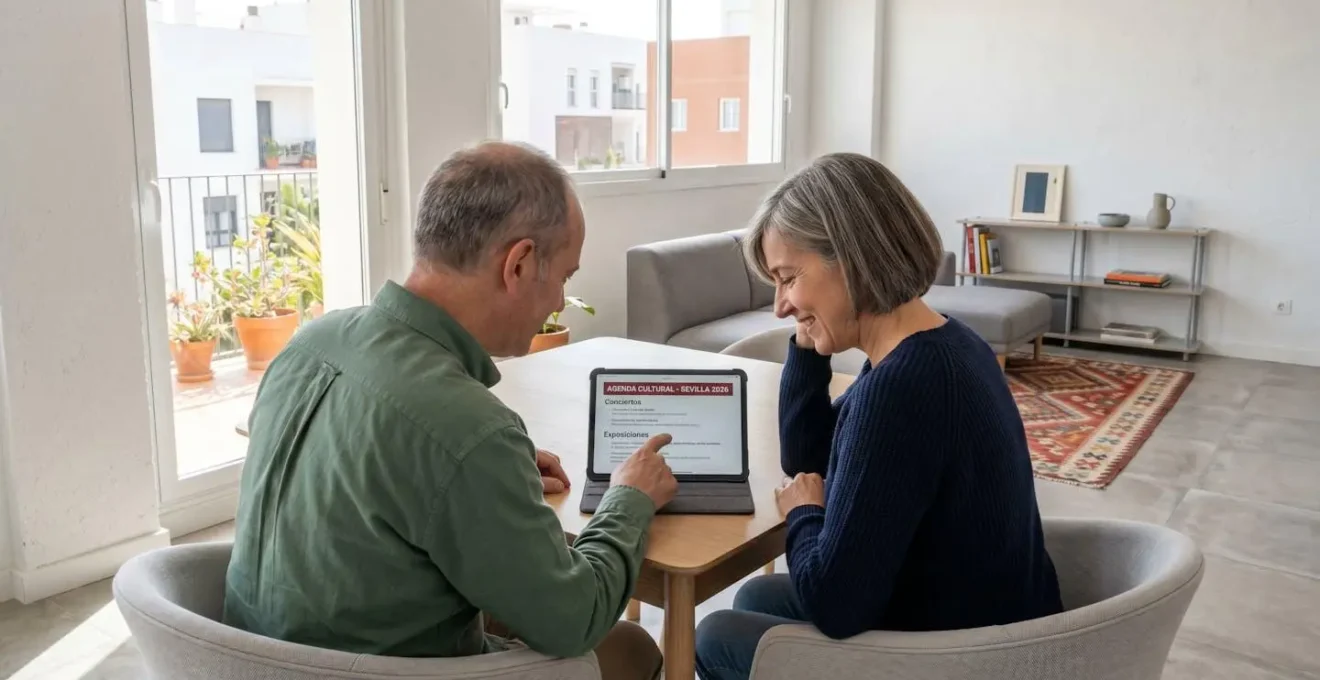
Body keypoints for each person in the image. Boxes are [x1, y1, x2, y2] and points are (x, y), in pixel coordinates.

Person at [223, 141, 678, 680]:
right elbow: (573, 620)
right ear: (520, 263)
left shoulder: (308, 344)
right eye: (564, 276)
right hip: (379, 670)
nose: (559, 301)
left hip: (247, 656)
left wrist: (476, 478)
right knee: (632, 648)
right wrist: (628, 498)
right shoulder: (469, 432)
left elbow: (359, 472)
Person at [693, 153, 1063, 680]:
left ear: (850, 259)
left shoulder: (900, 391)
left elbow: (838, 607)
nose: (779, 305)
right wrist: (808, 342)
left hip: (963, 657)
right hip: (983, 617)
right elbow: (810, 459)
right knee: (756, 592)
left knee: (714, 637)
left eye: (788, 278)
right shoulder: (943, 345)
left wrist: (803, 514)